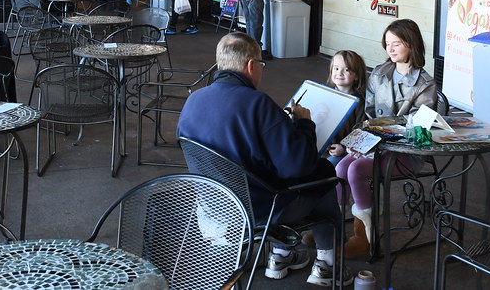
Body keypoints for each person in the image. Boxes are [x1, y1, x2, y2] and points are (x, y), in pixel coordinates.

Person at [177, 33, 349, 286]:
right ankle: (327, 264)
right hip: (261, 210)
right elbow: (298, 166)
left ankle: (281, 255)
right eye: (261, 64)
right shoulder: (257, 103)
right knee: (325, 173)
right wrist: (304, 124)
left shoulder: (194, 100)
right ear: (251, 66)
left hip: (213, 204)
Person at [334, 19, 436, 258]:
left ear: (411, 45)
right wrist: (362, 143)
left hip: (405, 152)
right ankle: (334, 227)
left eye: (396, 44)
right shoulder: (379, 73)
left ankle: (365, 237)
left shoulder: (425, 83)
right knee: (341, 168)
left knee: (357, 169)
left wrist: (378, 139)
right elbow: (368, 115)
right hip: (376, 144)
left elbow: (418, 129)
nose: (389, 49)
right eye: (387, 43)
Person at [324, 50, 367, 166]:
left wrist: (343, 147)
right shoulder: (325, 95)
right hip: (321, 148)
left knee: (329, 166)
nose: (339, 73)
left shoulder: (358, 103)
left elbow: (360, 133)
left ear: (357, 75)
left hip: (345, 153)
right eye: (336, 68)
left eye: (346, 70)